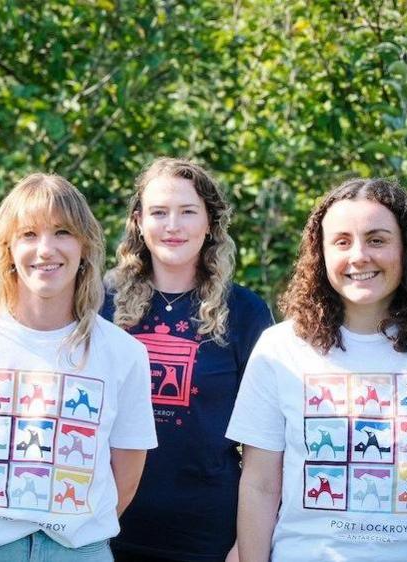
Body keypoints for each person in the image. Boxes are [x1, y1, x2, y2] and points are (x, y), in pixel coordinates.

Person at [226, 178, 407, 561]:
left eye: (377, 239)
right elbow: (260, 484)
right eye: (342, 241)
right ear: (321, 254)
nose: (359, 255)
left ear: (405, 249)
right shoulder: (280, 348)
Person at [0, 173, 157, 561]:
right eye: (29, 234)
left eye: (62, 232)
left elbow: (126, 472)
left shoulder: (123, 354)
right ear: (6, 248)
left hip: (78, 552)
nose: (46, 249)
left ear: (85, 246)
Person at [102, 157, 273, 562]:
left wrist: (245, 547)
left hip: (208, 533)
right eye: (159, 212)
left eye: (188, 212)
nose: (173, 226)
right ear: (139, 222)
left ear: (210, 222)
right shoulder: (98, 300)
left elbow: (267, 443)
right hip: (105, 527)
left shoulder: (245, 312)